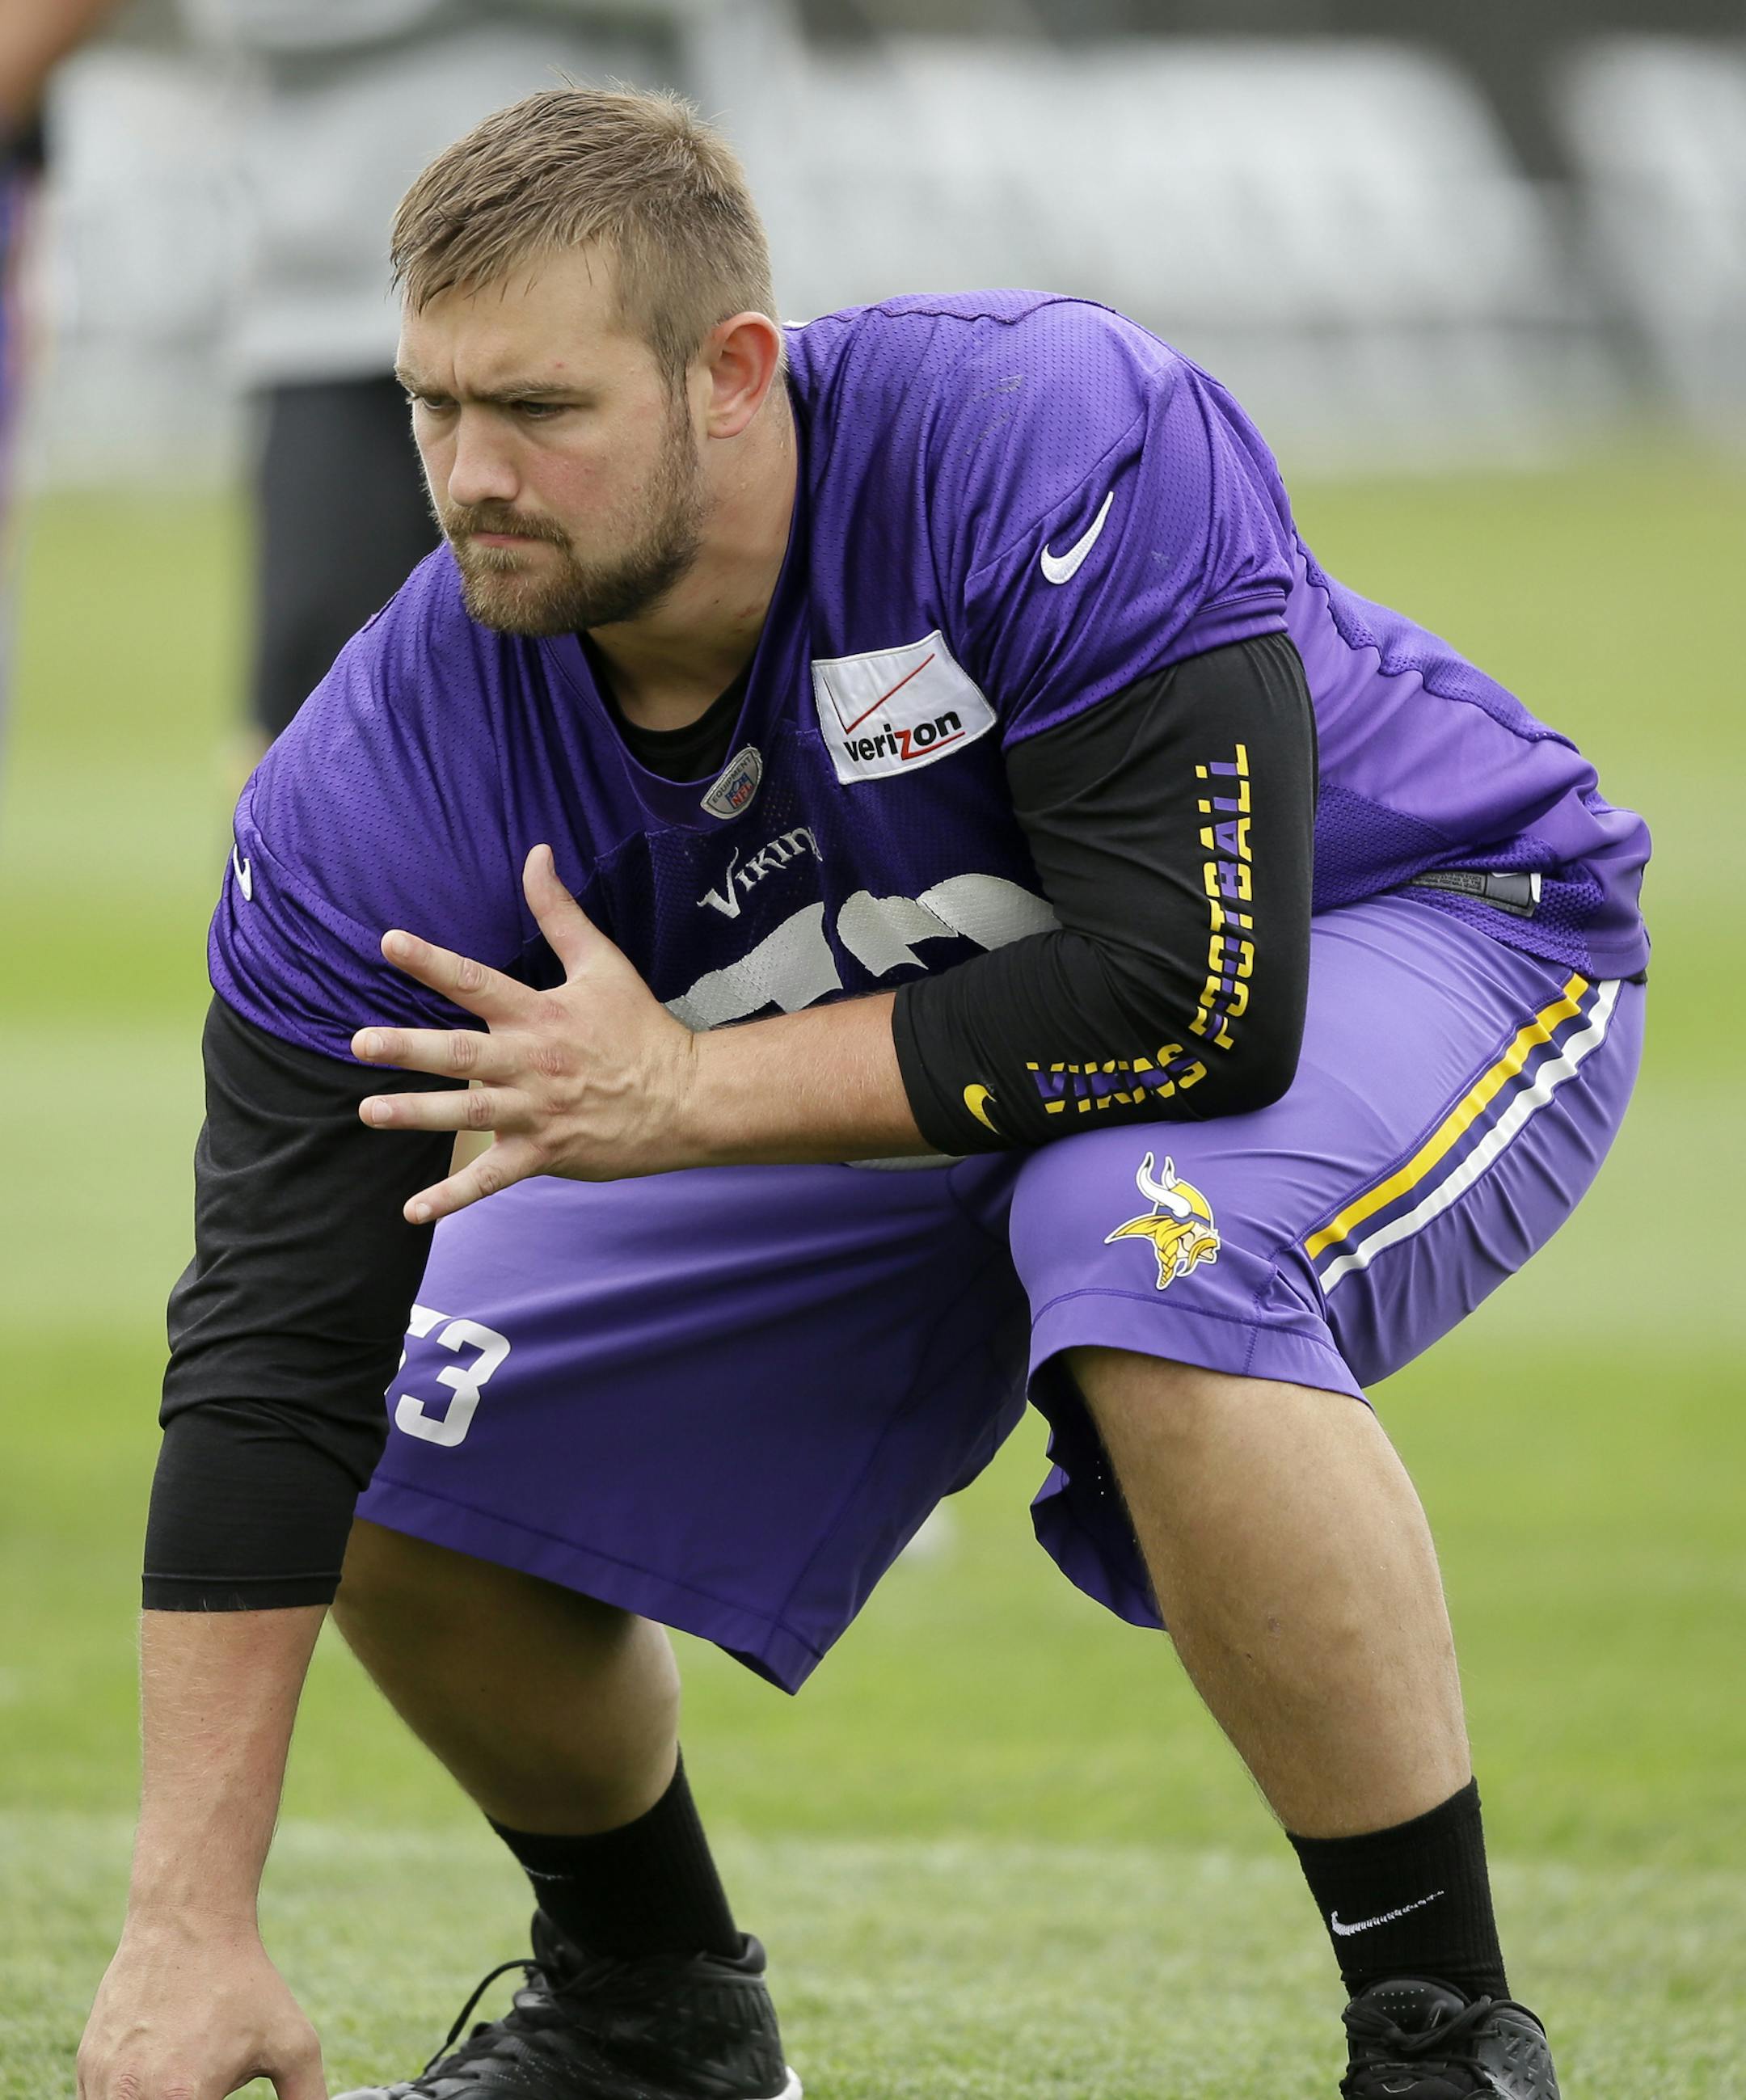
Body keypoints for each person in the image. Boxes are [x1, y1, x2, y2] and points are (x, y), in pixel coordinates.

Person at [78, 86, 1649, 2100]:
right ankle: (653, 2018)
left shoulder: (1040, 430)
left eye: (541, 409)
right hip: (944, 1038)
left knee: (1136, 1226)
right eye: (432, 406)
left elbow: (1195, 1001)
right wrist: (189, 1924)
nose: (471, 478)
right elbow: (270, 1345)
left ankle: (1440, 2036)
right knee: (403, 1393)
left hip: (1406, 925)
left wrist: (692, 1093)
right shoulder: (379, 764)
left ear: (734, 375)